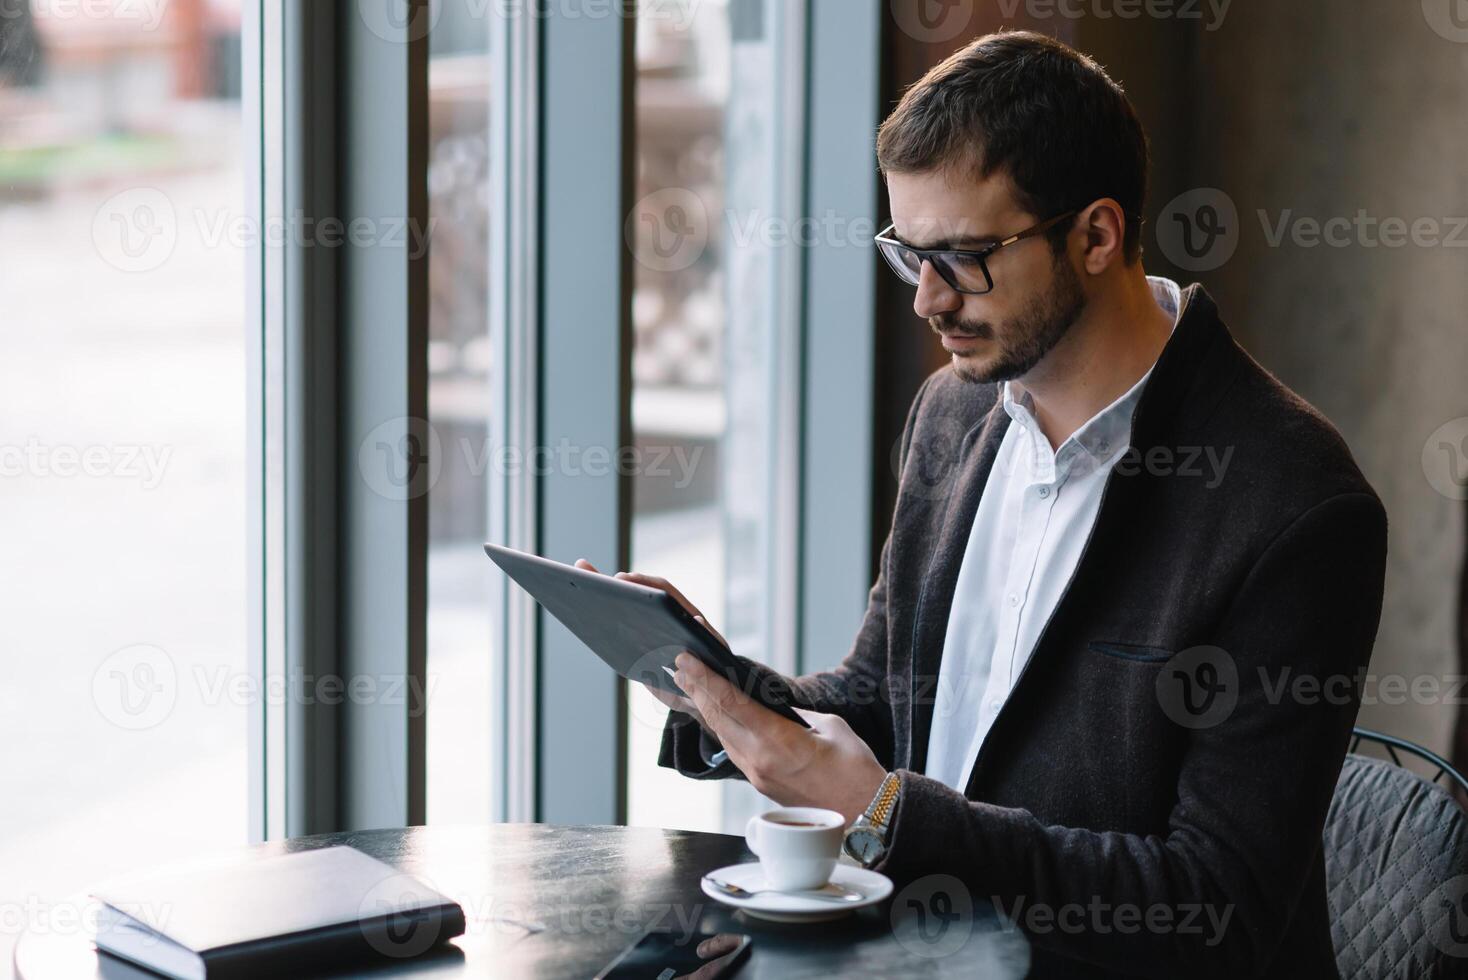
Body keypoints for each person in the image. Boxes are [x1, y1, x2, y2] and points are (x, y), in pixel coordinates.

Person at [583, 30, 1386, 979]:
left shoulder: (1292, 502)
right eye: (907, 252)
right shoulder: (955, 414)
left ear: (1096, 235)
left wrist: (886, 816)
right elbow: (885, 698)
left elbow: (1215, 906)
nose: (926, 300)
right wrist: (718, 690)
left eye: (963, 258)